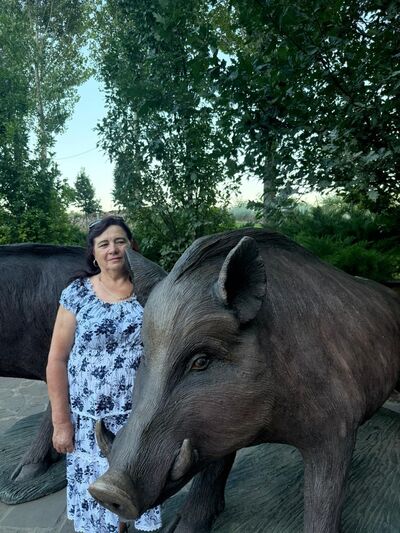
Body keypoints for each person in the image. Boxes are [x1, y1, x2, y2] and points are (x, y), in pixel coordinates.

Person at [46, 215, 162, 533]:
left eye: (120, 241)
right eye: (104, 244)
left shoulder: (152, 292)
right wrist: (61, 423)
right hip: (89, 422)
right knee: (97, 497)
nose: (113, 249)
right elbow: (56, 359)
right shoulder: (77, 294)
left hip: (138, 417)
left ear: (132, 247)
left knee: (133, 487)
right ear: (94, 253)